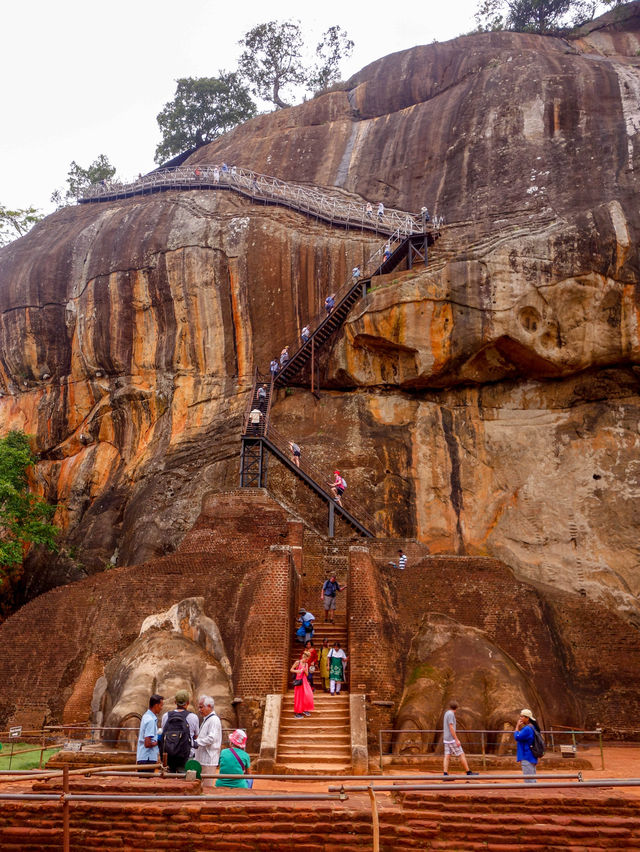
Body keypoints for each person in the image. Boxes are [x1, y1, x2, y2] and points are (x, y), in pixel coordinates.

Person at [160, 689, 198, 774]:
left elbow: (163, 733)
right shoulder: (193, 717)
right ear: (187, 703)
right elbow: (195, 736)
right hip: (186, 757)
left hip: (169, 756)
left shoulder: (166, 716)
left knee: (169, 783)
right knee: (185, 784)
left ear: (175, 702)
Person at [442, 701, 478, 777]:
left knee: (447, 756)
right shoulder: (451, 714)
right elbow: (451, 727)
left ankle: (445, 774)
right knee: (461, 754)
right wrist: (456, 739)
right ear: (456, 708)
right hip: (451, 739)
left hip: (446, 738)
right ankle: (468, 772)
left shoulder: (446, 713)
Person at [194, 694, 222, 788]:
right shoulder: (207, 719)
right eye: (199, 707)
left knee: (206, 788)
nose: (200, 710)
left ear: (209, 706)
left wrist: (197, 742)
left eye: (201, 707)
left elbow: (211, 738)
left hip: (208, 760)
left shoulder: (214, 720)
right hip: (201, 759)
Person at [136, 693, 163, 771]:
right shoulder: (150, 720)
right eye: (161, 705)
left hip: (143, 757)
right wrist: (159, 741)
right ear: (156, 705)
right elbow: (147, 744)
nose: (161, 708)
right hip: (147, 758)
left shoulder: (146, 716)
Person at [514, 708, 539, 783]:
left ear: (527, 718)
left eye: (522, 717)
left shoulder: (527, 729)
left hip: (526, 756)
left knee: (529, 781)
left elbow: (517, 737)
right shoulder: (533, 727)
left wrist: (517, 727)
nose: (520, 718)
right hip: (532, 756)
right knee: (532, 778)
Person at [291, 651, 314, 717]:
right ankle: (297, 712)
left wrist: (304, 670)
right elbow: (291, 669)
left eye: (308, 659)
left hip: (304, 681)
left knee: (308, 695)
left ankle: (305, 709)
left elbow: (307, 674)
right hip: (299, 681)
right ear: (303, 657)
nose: (307, 660)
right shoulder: (297, 662)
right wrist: (297, 671)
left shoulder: (306, 664)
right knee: (299, 697)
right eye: (306, 659)